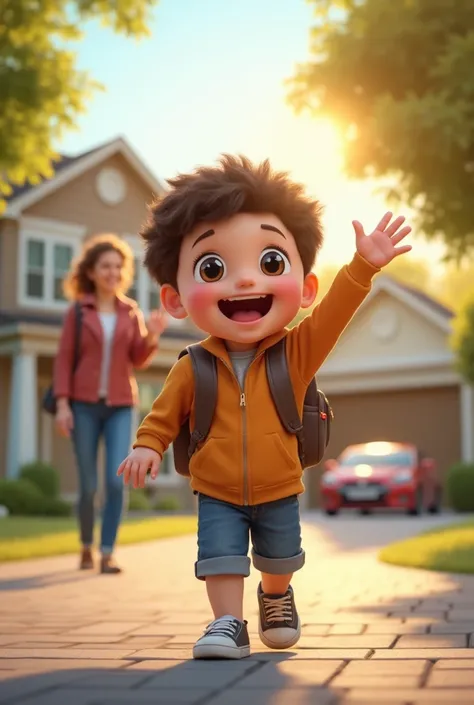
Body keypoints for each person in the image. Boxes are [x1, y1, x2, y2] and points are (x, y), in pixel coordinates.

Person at [117, 155, 412, 656]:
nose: (245, 281)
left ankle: (276, 598)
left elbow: (336, 313)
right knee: (220, 557)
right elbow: (163, 415)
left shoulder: (296, 352)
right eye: (214, 268)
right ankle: (227, 623)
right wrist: (148, 446)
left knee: (279, 559)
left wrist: (363, 267)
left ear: (306, 288)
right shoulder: (192, 365)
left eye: (270, 262)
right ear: (175, 299)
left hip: (278, 483)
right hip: (216, 486)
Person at [54, 233, 166, 574]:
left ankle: (107, 551)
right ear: (91, 271)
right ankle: (87, 545)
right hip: (83, 406)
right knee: (88, 486)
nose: (113, 272)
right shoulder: (78, 312)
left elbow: (137, 358)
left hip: (120, 405)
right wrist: (62, 405)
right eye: (106, 266)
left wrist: (153, 334)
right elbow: (62, 360)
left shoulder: (129, 311)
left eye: (118, 266)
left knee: (117, 480)